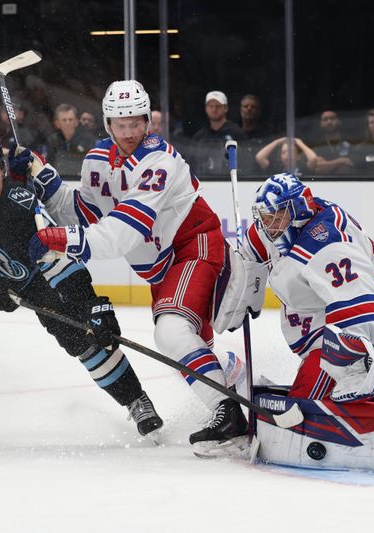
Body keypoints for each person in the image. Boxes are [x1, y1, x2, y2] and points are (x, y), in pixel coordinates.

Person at [15, 80, 249, 458]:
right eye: (120, 124)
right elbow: (85, 215)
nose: (129, 132)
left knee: (171, 332)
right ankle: (240, 378)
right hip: (162, 267)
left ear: (148, 121)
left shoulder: (160, 160)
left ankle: (231, 416)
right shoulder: (96, 160)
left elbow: (124, 232)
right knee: (186, 347)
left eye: (136, 122)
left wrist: (58, 239)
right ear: (108, 124)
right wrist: (43, 178)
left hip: (193, 246)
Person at [0, 130, 162, 442]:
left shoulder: (21, 203)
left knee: (80, 334)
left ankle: (136, 400)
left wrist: (89, 304)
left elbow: (57, 259)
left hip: (34, 280)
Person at [215, 173, 374, 475]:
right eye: (264, 217)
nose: (269, 225)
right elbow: (249, 254)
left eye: (276, 217)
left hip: (370, 346)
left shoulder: (326, 242)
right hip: (330, 345)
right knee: (304, 409)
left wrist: (355, 365)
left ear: (298, 209)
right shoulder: (286, 224)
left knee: (303, 418)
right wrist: (244, 282)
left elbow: (361, 305)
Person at [191, 90, 247, 175]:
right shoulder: (199, 136)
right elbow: (192, 163)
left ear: (226, 108)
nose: (214, 109)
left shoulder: (237, 133)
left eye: (218, 106)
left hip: (230, 181)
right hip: (203, 182)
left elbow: (246, 162)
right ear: (206, 108)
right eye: (211, 106)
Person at [45, 103, 97, 176]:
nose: (68, 123)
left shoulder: (88, 140)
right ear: (57, 123)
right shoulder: (52, 140)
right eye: (64, 120)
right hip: (59, 181)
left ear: (76, 122)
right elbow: (49, 165)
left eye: (70, 119)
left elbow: (92, 166)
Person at [312, 110, 354, 175]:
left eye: (332, 118)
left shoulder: (351, 142)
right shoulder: (318, 146)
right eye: (325, 119)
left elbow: (353, 164)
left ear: (339, 121)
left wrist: (328, 165)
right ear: (321, 124)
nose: (329, 122)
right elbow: (319, 167)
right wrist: (341, 160)